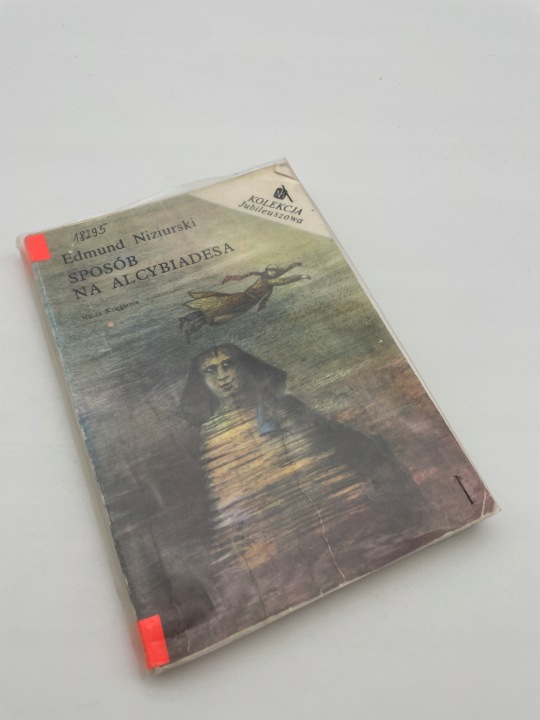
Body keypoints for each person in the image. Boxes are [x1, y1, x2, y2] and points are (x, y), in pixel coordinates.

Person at [180, 344, 430, 644]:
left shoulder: (282, 407)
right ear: (202, 380)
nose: (222, 376)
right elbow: (226, 493)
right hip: (265, 530)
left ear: (244, 366)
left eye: (228, 365)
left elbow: (321, 454)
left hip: (326, 512)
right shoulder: (211, 432)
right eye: (211, 371)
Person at [178, 263, 310, 341]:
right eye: (271, 270)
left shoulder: (267, 277)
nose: (273, 272)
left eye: (274, 271)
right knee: (219, 310)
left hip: (245, 302)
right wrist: (301, 276)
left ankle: (190, 323)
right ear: (267, 271)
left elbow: (281, 273)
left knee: (220, 312)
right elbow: (283, 280)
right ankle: (189, 322)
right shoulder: (269, 280)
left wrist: (292, 265)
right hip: (243, 300)